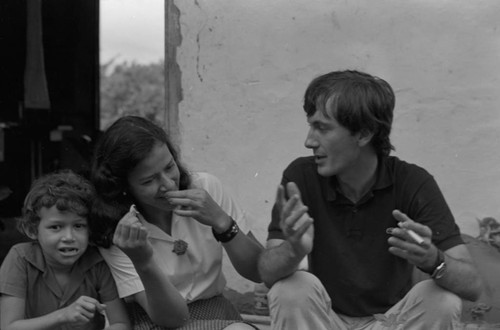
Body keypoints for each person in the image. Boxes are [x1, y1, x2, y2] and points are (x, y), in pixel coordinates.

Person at [258, 70, 483, 330]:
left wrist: (433, 259)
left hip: (388, 323)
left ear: (364, 134)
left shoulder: (413, 182)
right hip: (324, 318)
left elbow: (473, 285)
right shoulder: (301, 177)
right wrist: (293, 249)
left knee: (441, 299)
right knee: (291, 288)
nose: (309, 141)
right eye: (311, 125)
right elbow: (267, 274)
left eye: (322, 127)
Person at [89, 116, 263, 330]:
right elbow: (173, 320)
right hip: (157, 322)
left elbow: (257, 271)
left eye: (170, 167)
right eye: (148, 180)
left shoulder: (206, 188)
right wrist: (143, 261)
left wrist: (222, 222)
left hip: (220, 314)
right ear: (124, 186)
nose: (168, 184)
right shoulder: (117, 228)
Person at [0, 170, 131, 330]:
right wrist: (62, 316)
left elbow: (121, 324)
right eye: (56, 227)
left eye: (78, 226)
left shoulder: (97, 263)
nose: (69, 237)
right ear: (33, 230)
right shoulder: (21, 259)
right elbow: (8, 327)